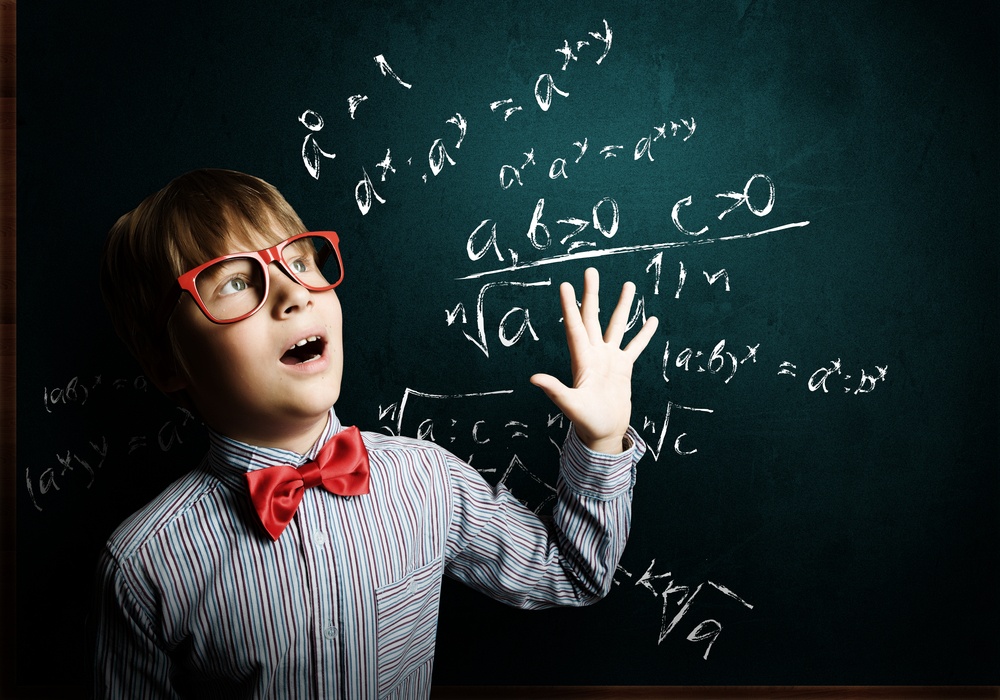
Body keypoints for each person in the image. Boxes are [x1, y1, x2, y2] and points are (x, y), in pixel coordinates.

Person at [93, 168, 659, 698]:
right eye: (237, 283)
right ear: (168, 363)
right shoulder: (143, 566)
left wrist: (602, 441)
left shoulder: (426, 480)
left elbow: (573, 572)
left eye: (300, 261)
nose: (294, 294)